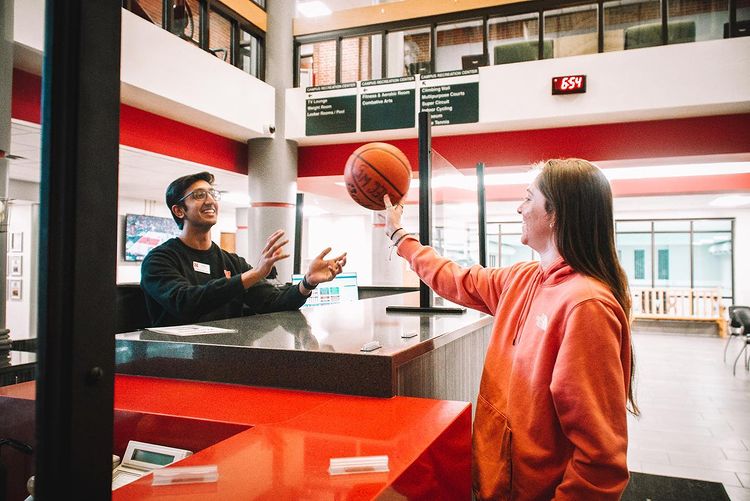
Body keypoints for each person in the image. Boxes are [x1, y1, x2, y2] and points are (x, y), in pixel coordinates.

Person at [383, 158, 638, 500]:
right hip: (496, 482)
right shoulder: (521, 278)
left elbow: (600, 461)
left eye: (528, 198)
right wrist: (400, 236)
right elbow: (453, 278)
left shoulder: (586, 305)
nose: (519, 208)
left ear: (556, 212)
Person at [141, 171, 347, 327]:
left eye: (212, 193)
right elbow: (186, 302)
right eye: (199, 195)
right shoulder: (159, 260)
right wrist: (253, 274)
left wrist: (307, 283)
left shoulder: (232, 262)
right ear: (178, 210)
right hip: (176, 362)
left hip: (228, 357)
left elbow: (272, 302)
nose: (210, 200)